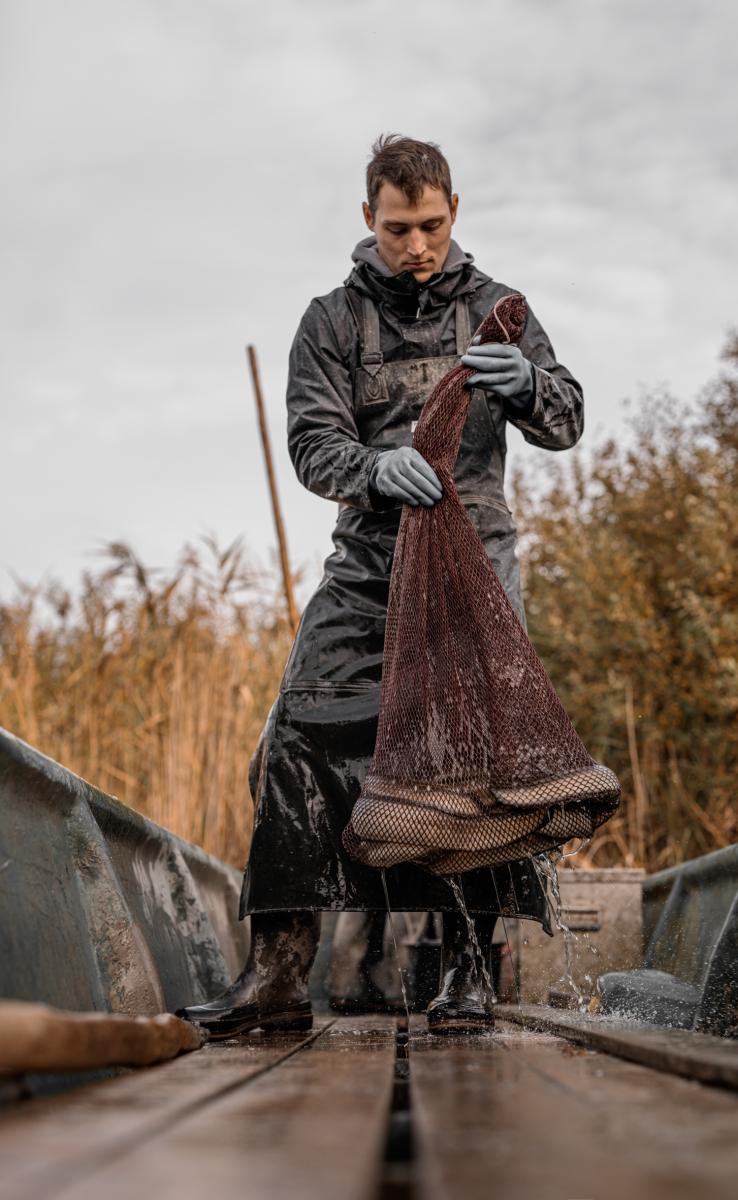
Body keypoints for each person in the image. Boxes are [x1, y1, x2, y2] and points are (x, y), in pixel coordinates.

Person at [179, 134, 584, 1038]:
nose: (418, 245)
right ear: (369, 219)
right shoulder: (328, 320)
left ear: (454, 212)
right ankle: (277, 978)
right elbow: (312, 447)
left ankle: (467, 976)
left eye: (433, 225)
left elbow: (567, 419)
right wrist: (373, 466)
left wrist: (528, 386)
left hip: (475, 569)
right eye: (399, 228)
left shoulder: (500, 310)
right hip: (365, 570)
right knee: (293, 738)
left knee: (475, 764)